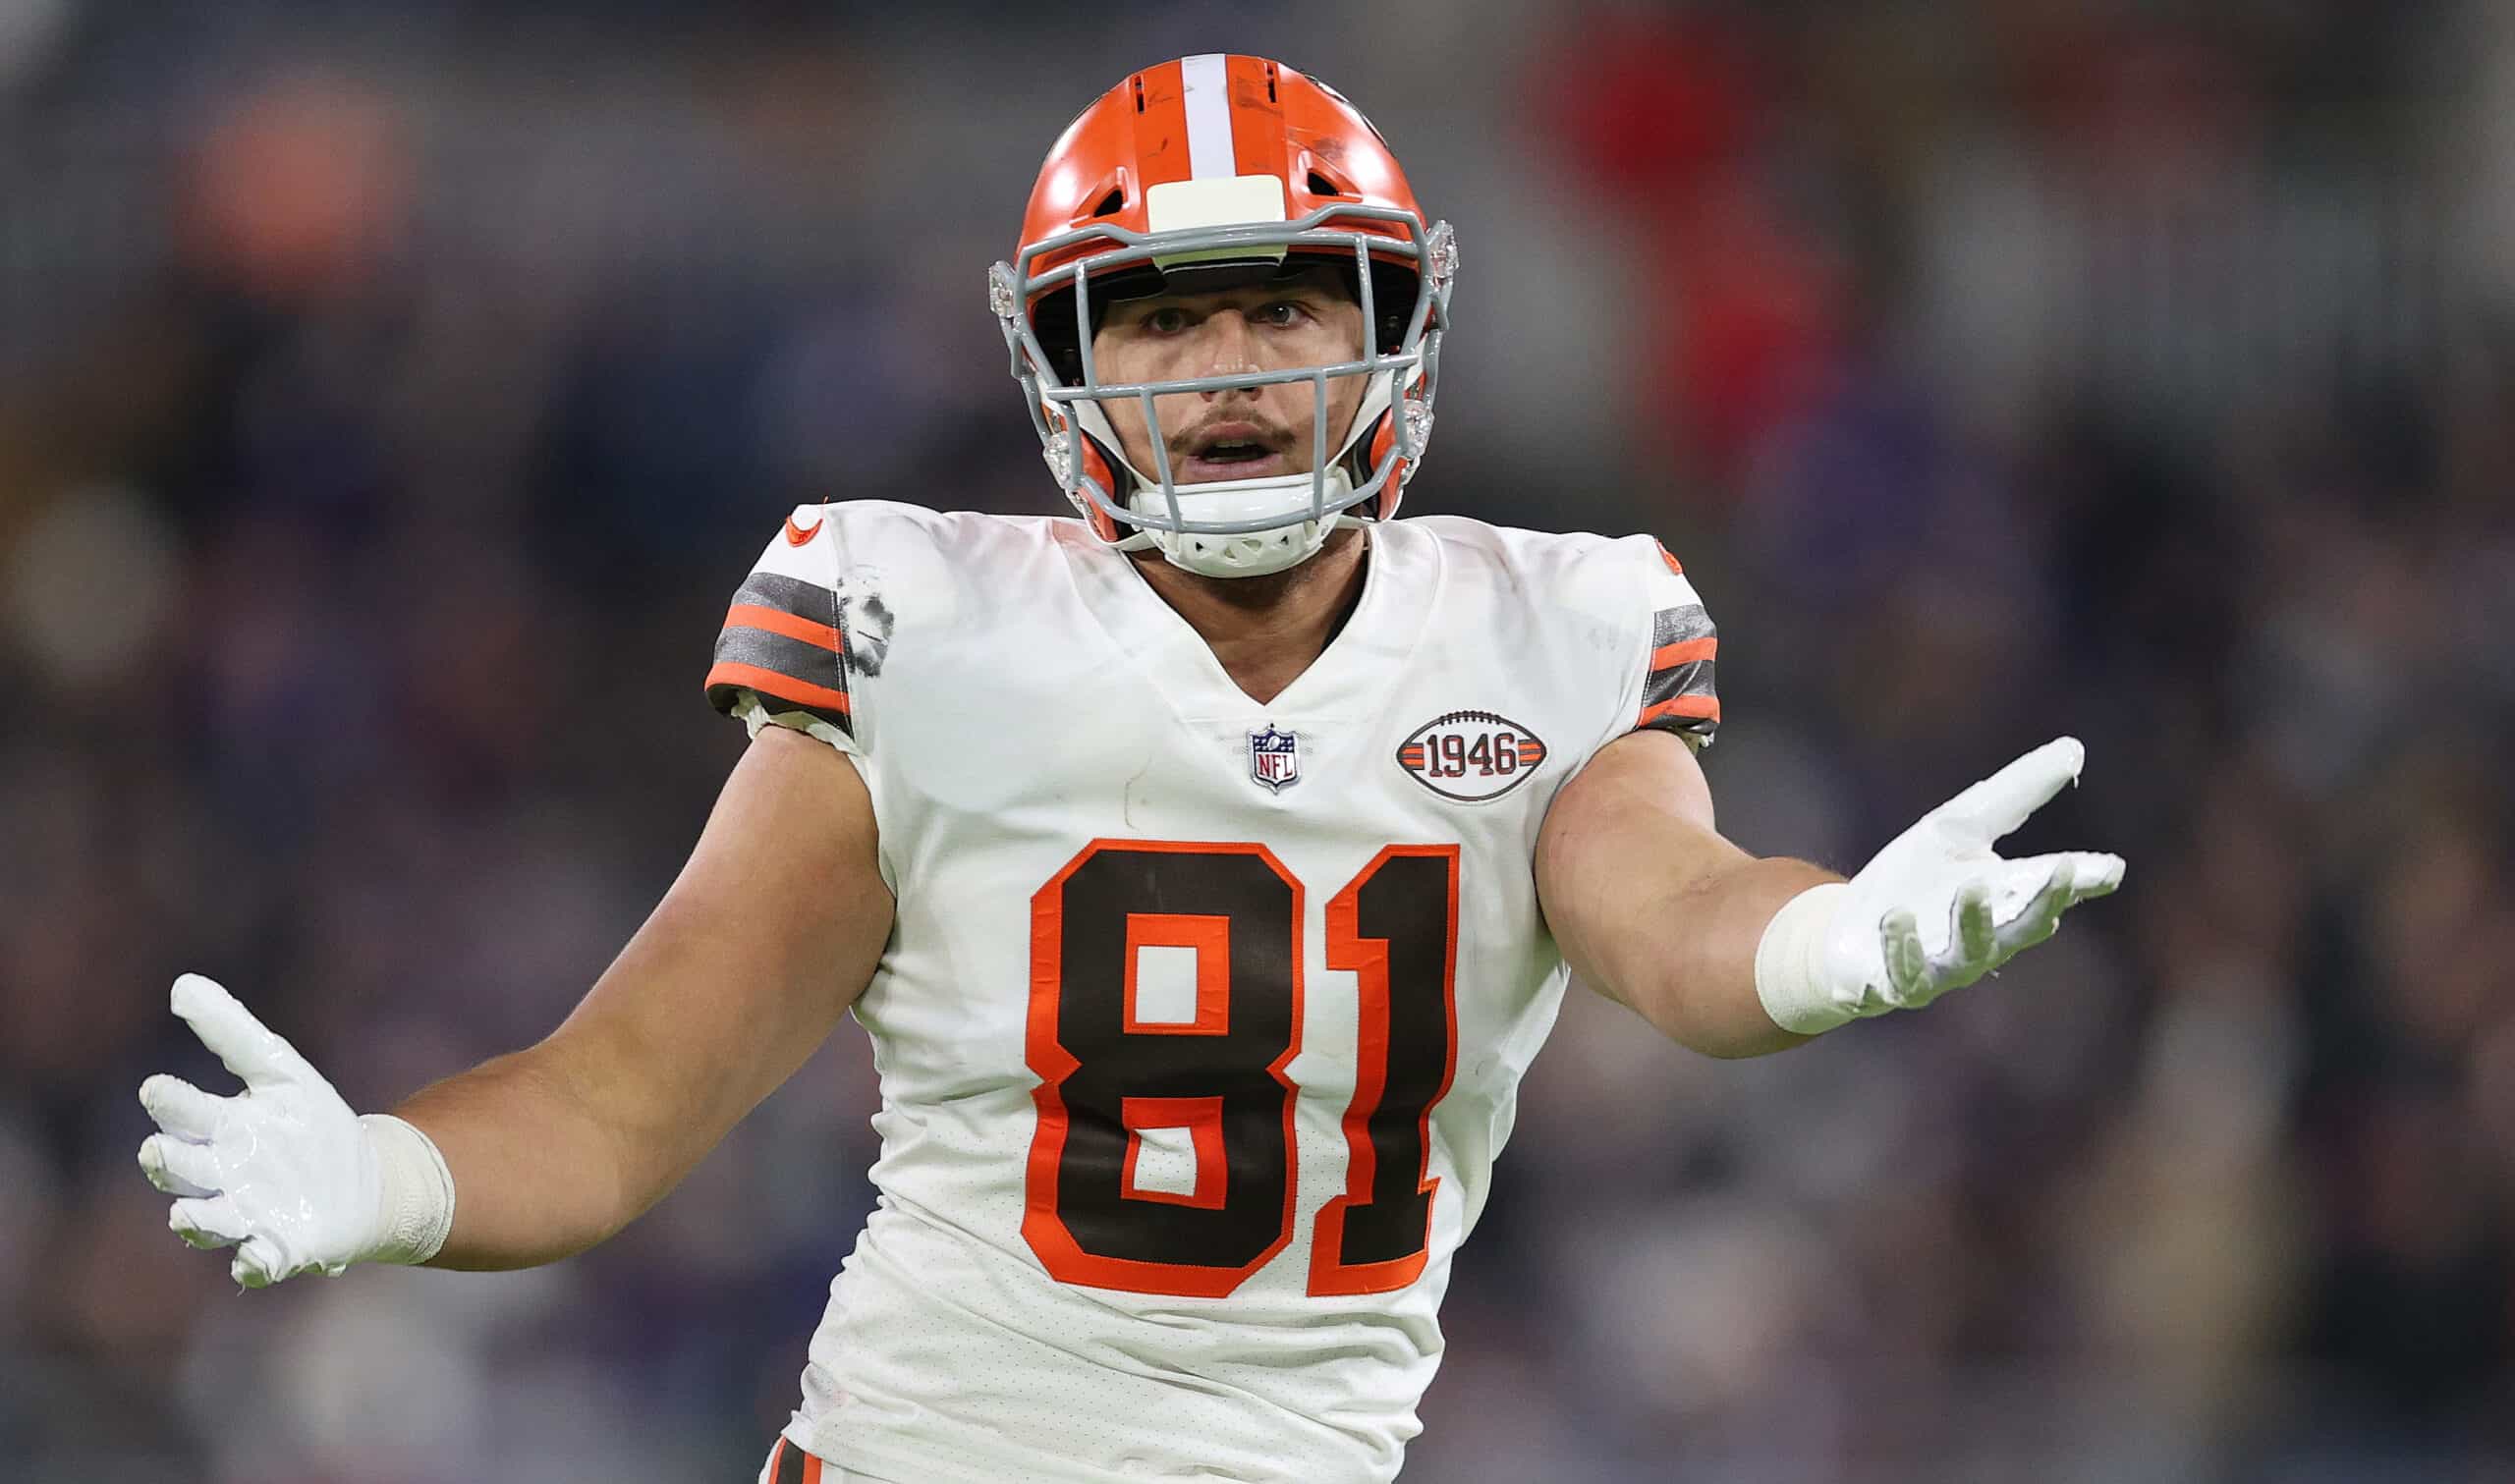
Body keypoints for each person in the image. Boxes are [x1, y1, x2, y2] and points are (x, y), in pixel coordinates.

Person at [136, 54, 2123, 1484]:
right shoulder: (921, 628)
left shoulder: (1552, 626)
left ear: (1390, 336)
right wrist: (395, 1171)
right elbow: (618, 1102)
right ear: (1065, 366)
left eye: (1282, 303)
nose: (1233, 365)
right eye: (1161, 320)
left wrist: (1829, 946)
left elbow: (1673, 911)